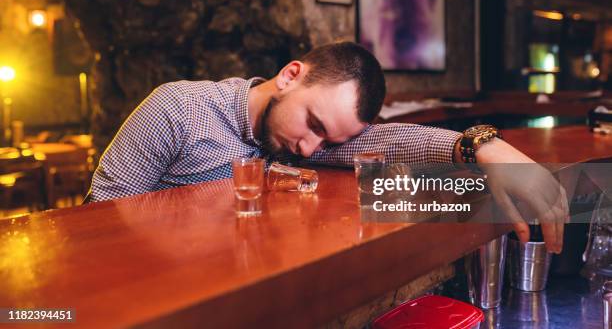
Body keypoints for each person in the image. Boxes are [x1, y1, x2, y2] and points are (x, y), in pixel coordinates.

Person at [87, 41, 566, 253]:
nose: (310, 147)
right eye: (313, 122)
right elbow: (96, 221)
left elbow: (388, 140)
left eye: (328, 139)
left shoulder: (299, 144)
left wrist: (482, 146)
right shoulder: (178, 108)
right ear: (290, 76)